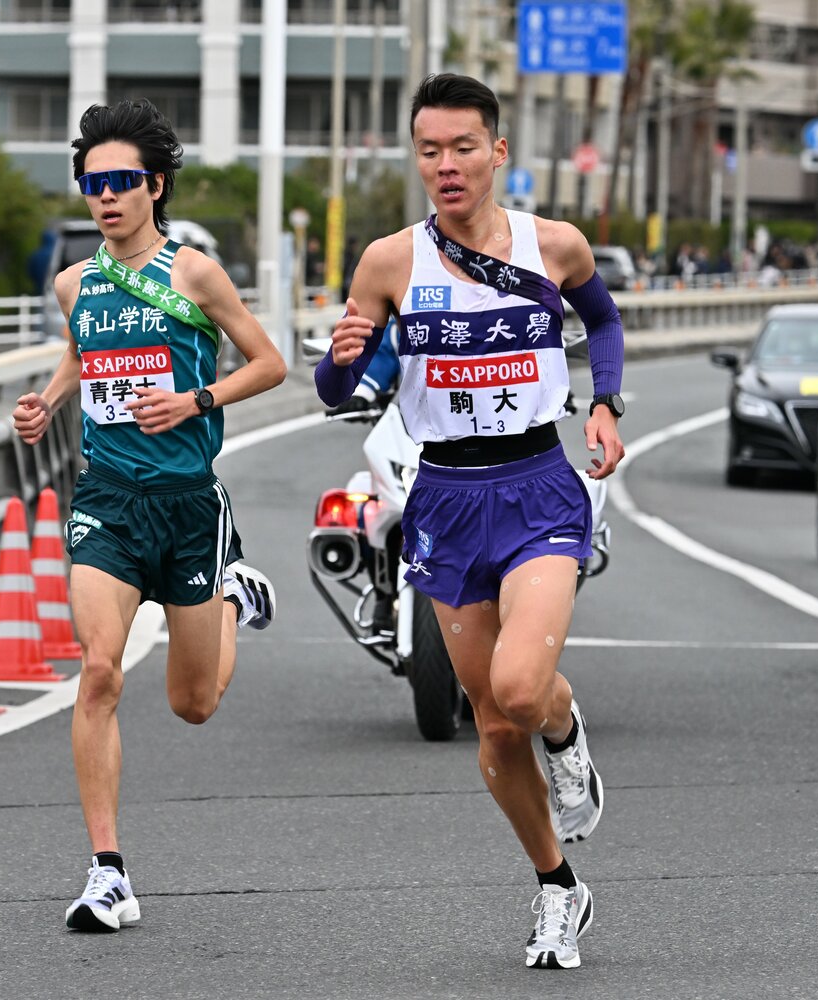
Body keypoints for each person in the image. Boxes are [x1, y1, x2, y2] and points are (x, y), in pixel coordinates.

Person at [315, 73, 625, 971]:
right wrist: (340, 362)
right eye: (428, 150)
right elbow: (342, 387)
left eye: (462, 148)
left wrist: (607, 405)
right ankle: (558, 889)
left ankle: (564, 735)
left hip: (536, 485)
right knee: (490, 725)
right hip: (445, 499)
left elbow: (600, 318)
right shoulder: (388, 262)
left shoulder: (552, 244)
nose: (445, 166)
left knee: (524, 692)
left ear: (497, 152)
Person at [10, 98, 287, 935]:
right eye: (93, 184)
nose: (107, 197)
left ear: (155, 186)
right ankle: (108, 873)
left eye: (124, 182)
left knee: (193, 704)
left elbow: (270, 363)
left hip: (189, 504)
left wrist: (195, 398)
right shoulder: (75, 282)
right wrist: (47, 403)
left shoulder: (192, 273)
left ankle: (234, 595)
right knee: (99, 670)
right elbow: (81, 349)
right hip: (108, 500)